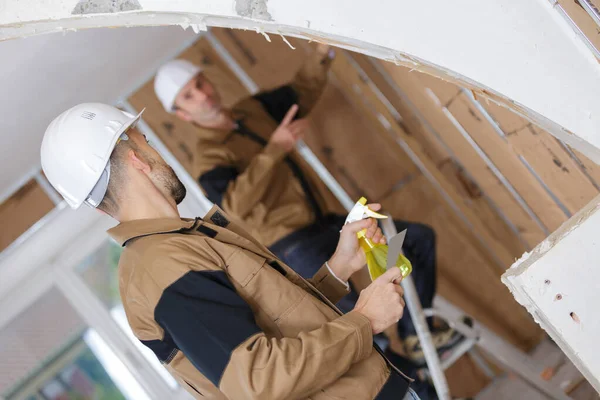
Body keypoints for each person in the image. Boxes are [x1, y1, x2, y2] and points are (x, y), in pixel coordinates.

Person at [40, 103, 420, 399]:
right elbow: (259, 379)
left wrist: (337, 268)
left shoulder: (174, 248)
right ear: (137, 160)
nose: (158, 153)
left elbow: (275, 322)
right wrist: (365, 320)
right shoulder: (161, 267)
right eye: (147, 142)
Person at [153, 44, 457, 368]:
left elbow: (301, 92)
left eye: (199, 84)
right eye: (188, 96)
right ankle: (410, 382)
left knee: (415, 241)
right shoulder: (208, 157)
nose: (202, 95)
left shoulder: (253, 109)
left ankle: (415, 337)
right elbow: (235, 205)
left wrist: (321, 53)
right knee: (361, 321)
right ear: (181, 114)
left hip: (324, 222)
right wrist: (275, 148)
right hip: (292, 244)